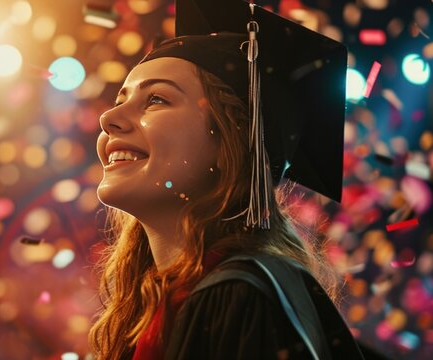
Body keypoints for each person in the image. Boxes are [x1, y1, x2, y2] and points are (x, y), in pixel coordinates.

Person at [88, 1, 366, 359]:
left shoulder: (240, 297)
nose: (109, 117)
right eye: (119, 100)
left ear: (231, 141)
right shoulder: (152, 311)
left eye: (156, 99)